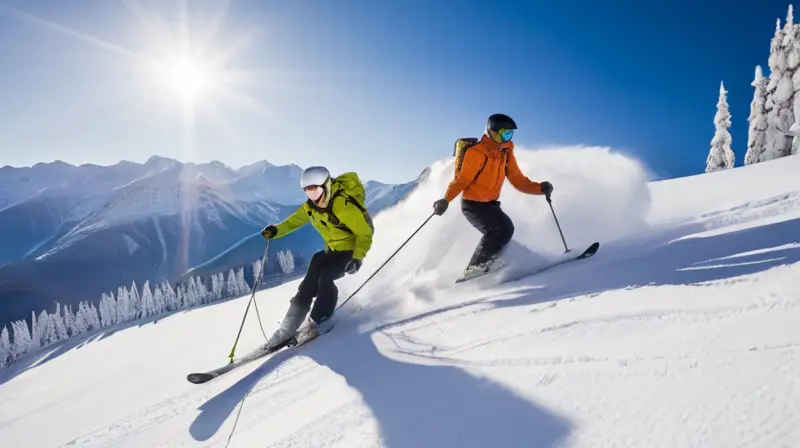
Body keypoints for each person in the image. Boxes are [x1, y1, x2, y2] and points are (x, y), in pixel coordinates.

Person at [260, 165, 374, 347]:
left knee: (326, 279)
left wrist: (358, 258)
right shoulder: (310, 208)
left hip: (349, 252)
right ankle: (288, 325)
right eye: (308, 192)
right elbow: (293, 222)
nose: (313, 197)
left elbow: (364, 233)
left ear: (326, 186)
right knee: (310, 277)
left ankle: (319, 320)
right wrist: (275, 231)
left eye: (316, 191)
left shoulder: (344, 207)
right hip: (332, 250)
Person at [432, 113, 553, 277]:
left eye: (510, 134)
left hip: (489, 204)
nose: (507, 138)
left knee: (507, 228)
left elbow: (518, 180)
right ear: (492, 132)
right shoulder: (476, 152)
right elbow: (462, 179)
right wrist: (446, 199)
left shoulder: (506, 154)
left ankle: (489, 264)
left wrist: (540, 188)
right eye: (505, 133)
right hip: (472, 204)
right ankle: (474, 270)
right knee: (494, 230)